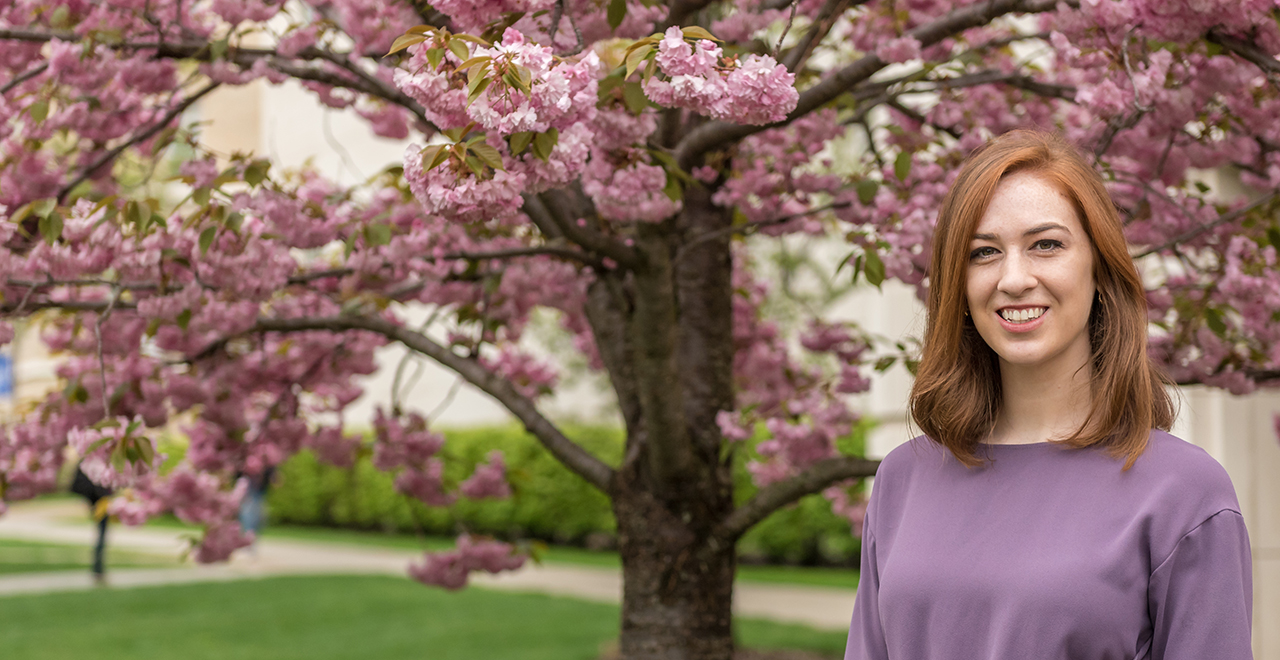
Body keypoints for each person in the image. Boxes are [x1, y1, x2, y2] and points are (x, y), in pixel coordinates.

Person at [844, 130, 1253, 659]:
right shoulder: (902, 480)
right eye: (984, 252)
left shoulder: (1185, 494)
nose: (1014, 278)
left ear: (1100, 269)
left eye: (1046, 245)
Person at [70, 464, 113, 585]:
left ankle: (98, 568)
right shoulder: (95, 463)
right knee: (101, 535)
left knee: (101, 534)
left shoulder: (89, 462)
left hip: (98, 501)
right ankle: (98, 569)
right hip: (101, 502)